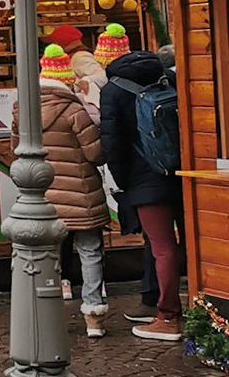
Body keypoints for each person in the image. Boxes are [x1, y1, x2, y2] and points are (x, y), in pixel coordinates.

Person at [25, 45, 112, 337]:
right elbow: (95, 154)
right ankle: (93, 315)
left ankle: (46, 312)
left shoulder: (22, 109)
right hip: (81, 193)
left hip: (43, 196)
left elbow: (18, 152)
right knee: (89, 251)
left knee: (48, 254)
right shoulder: (75, 110)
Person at [103, 40, 183, 342]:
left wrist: (125, 183)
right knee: (191, 242)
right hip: (183, 170)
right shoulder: (168, 78)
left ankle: (168, 316)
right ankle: (203, 309)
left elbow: (113, 143)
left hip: (144, 178)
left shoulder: (113, 90)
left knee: (162, 247)